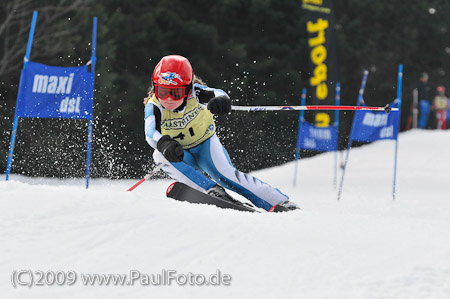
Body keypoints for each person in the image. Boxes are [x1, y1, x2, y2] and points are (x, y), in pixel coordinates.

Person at [143, 55, 298, 212]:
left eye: (175, 93)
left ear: (188, 89)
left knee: (226, 175)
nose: (168, 99)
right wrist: (164, 143)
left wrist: (222, 101)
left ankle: (278, 201)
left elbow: (218, 93)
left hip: (205, 146)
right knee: (159, 155)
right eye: (162, 91)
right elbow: (150, 132)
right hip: (180, 153)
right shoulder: (154, 106)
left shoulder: (196, 94)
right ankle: (211, 190)